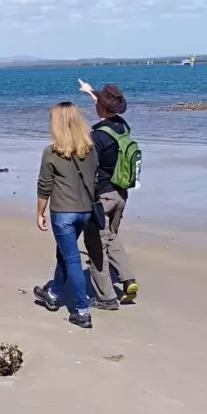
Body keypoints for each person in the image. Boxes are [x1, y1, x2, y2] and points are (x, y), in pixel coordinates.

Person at [32, 102, 100, 329]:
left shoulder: (51, 152)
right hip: (85, 211)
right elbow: (95, 179)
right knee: (65, 253)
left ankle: (82, 311)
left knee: (71, 259)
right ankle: (52, 294)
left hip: (63, 212)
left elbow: (44, 186)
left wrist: (39, 212)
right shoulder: (90, 149)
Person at [78, 79, 139, 306]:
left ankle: (106, 297)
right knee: (112, 236)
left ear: (101, 108)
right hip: (121, 194)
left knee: (96, 246)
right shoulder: (122, 127)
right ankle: (127, 278)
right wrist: (90, 91)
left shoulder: (97, 136)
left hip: (102, 197)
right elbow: (104, 107)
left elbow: (87, 167)